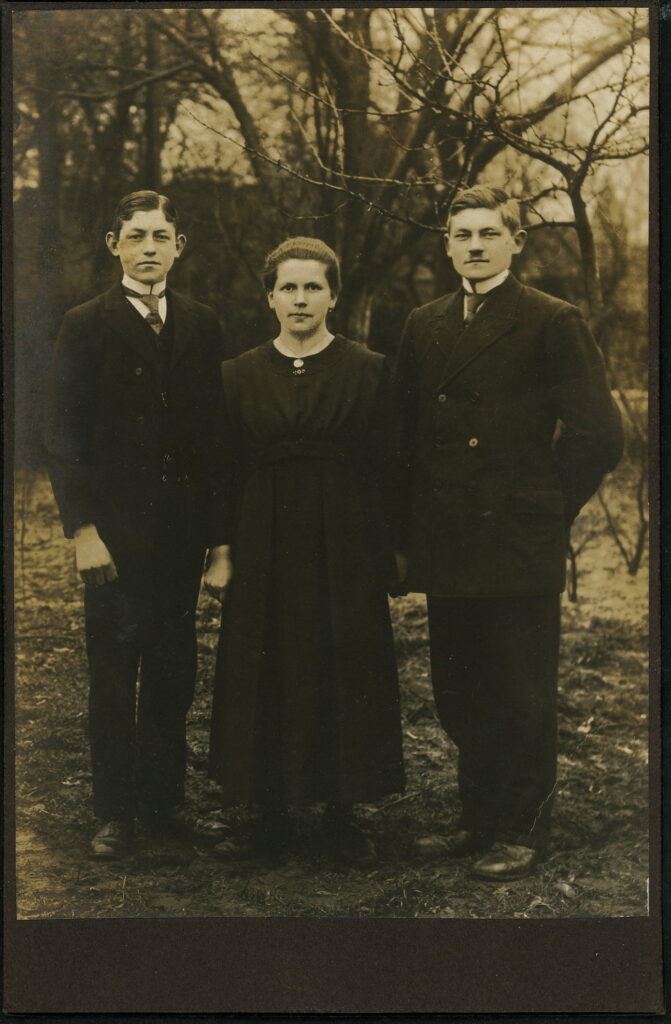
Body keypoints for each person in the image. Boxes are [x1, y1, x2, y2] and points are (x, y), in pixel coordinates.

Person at [393, 185, 624, 881]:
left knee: (519, 689)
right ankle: (476, 819)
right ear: (445, 243)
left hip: (514, 540)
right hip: (448, 538)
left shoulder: (551, 320)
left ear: (515, 241)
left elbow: (597, 434)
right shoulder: (422, 323)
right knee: (458, 686)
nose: (474, 245)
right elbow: (400, 436)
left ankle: (522, 830)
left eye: (489, 233)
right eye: (462, 234)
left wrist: (541, 506)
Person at [204, 237, 404, 866]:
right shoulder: (236, 374)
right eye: (287, 287)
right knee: (262, 661)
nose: (299, 299)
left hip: (344, 539)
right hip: (261, 538)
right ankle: (267, 813)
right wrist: (222, 551)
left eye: (312, 286)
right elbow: (220, 472)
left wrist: (391, 550)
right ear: (269, 297)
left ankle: (342, 813)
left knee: (343, 661)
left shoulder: (370, 370)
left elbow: (390, 467)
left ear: (334, 296)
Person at [44, 190, 228, 859]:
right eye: (136, 236)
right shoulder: (85, 324)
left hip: (180, 536)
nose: (149, 248)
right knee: (115, 673)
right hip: (114, 538)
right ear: (113, 245)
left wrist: (219, 540)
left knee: (175, 671)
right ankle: (113, 813)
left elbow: (215, 438)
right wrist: (83, 531)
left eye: (161, 236)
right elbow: (62, 435)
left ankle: (165, 802)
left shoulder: (204, 324)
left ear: (180, 246)